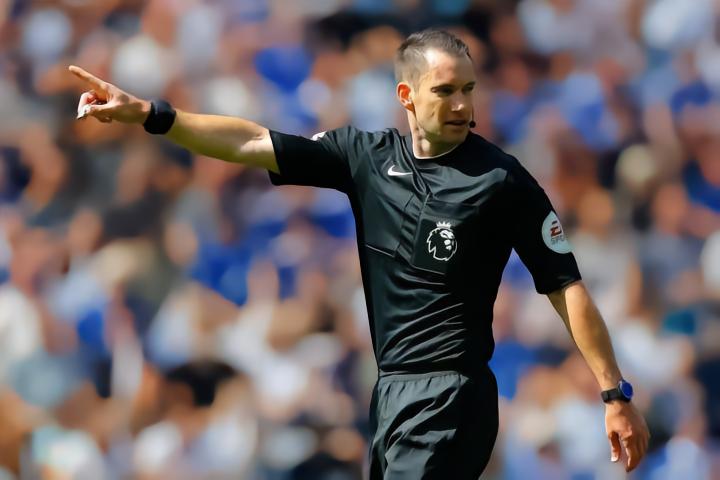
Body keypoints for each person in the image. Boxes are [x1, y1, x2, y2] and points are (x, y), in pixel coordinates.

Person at [69, 29, 649, 479]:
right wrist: (151, 115)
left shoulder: (502, 180)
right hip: (391, 393)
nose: (461, 105)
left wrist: (613, 392)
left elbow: (564, 285)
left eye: (468, 90)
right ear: (406, 96)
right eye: (445, 91)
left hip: (453, 393)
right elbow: (249, 141)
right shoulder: (366, 157)